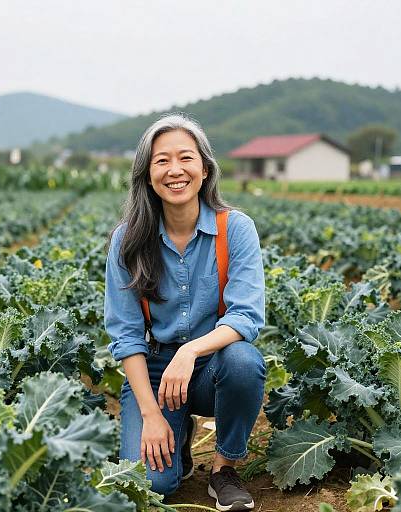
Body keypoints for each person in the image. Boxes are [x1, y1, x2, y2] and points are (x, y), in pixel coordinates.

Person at [104, 113, 266, 511]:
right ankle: (177, 435)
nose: (175, 170)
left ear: (205, 169)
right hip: (157, 373)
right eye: (161, 161)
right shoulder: (127, 240)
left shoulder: (235, 229)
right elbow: (126, 335)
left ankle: (224, 470)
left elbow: (246, 317)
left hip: (214, 368)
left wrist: (190, 351)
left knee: (244, 360)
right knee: (153, 486)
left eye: (186, 158)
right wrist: (151, 414)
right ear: (146, 175)